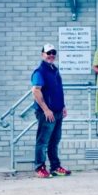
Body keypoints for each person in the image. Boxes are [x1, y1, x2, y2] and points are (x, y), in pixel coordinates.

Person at [31, 43, 70, 178]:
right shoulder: (40, 71)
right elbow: (36, 91)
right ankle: (39, 167)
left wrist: (63, 106)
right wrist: (46, 110)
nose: (51, 55)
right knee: (43, 141)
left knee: (55, 141)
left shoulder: (54, 69)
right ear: (43, 54)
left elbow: (58, 90)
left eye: (53, 52)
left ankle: (55, 167)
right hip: (46, 113)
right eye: (48, 53)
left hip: (58, 112)